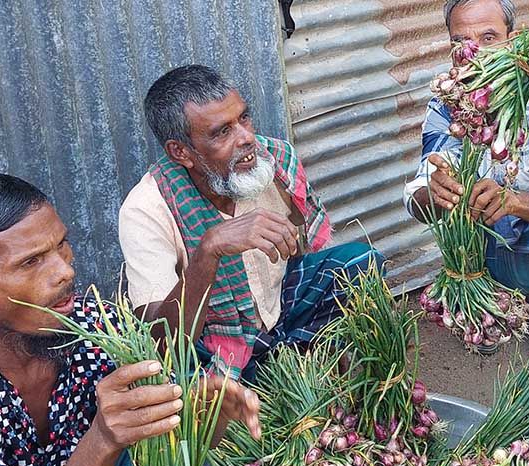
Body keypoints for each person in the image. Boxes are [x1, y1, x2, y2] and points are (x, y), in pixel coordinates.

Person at [0, 174, 261, 466]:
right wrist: (103, 438)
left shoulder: (91, 327)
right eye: (31, 262)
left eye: (62, 246)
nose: (64, 271)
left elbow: (164, 374)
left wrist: (200, 416)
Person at [120, 65, 381, 380]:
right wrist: (209, 252)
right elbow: (161, 342)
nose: (247, 139)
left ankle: (293, 358)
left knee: (359, 264)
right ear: (181, 152)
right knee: (180, 379)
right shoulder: (146, 208)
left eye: (243, 118)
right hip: (214, 336)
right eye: (222, 132)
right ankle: (263, 373)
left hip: (278, 309)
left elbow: (300, 252)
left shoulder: (274, 162)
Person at [404, 0, 529, 349]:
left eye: (489, 38)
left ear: (513, 39)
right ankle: (488, 302)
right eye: (462, 42)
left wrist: (514, 202)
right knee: (458, 209)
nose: (476, 54)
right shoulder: (448, 106)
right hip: (489, 250)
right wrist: (432, 192)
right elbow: (418, 195)